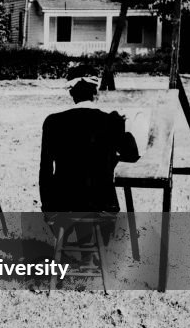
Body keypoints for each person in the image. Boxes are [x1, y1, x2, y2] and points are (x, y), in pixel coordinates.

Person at [39, 64, 140, 230]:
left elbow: (45, 170)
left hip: (63, 206)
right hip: (102, 205)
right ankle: (89, 252)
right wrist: (124, 129)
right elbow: (132, 155)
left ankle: (80, 250)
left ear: (71, 92)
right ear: (95, 91)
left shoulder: (53, 122)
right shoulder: (110, 121)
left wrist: (48, 209)